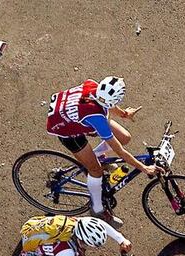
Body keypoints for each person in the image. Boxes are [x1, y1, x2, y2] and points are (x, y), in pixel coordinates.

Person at [46, 76, 161, 226]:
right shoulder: (97, 118)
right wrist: (144, 168)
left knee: (125, 137)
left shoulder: (94, 85)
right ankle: (97, 209)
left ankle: (96, 157)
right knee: (96, 171)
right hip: (67, 130)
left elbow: (108, 104)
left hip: (78, 115)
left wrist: (124, 114)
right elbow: (120, 152)